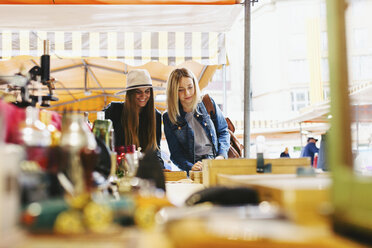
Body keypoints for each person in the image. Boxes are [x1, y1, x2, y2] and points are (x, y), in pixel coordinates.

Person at [163, 68, 230, 172]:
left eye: (190, 87)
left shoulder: (207, 102)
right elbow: (176, 154)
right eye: (180, 90)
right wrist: (190, 167)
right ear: (173, 91)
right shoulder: (169, 117)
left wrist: (221, 155)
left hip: (215, 163)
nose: (187, 93)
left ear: (195, 85)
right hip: (194, 171)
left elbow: (223, 131)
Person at [103, 69, 164, 168]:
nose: (143, 96)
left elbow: (155, 151)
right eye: (138, 92)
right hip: (118, 170)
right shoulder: (114, 110)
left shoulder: (155, 115)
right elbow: (99, 138)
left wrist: (160, 167)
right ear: (130, 94)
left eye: (147, 91)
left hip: (143, 173)